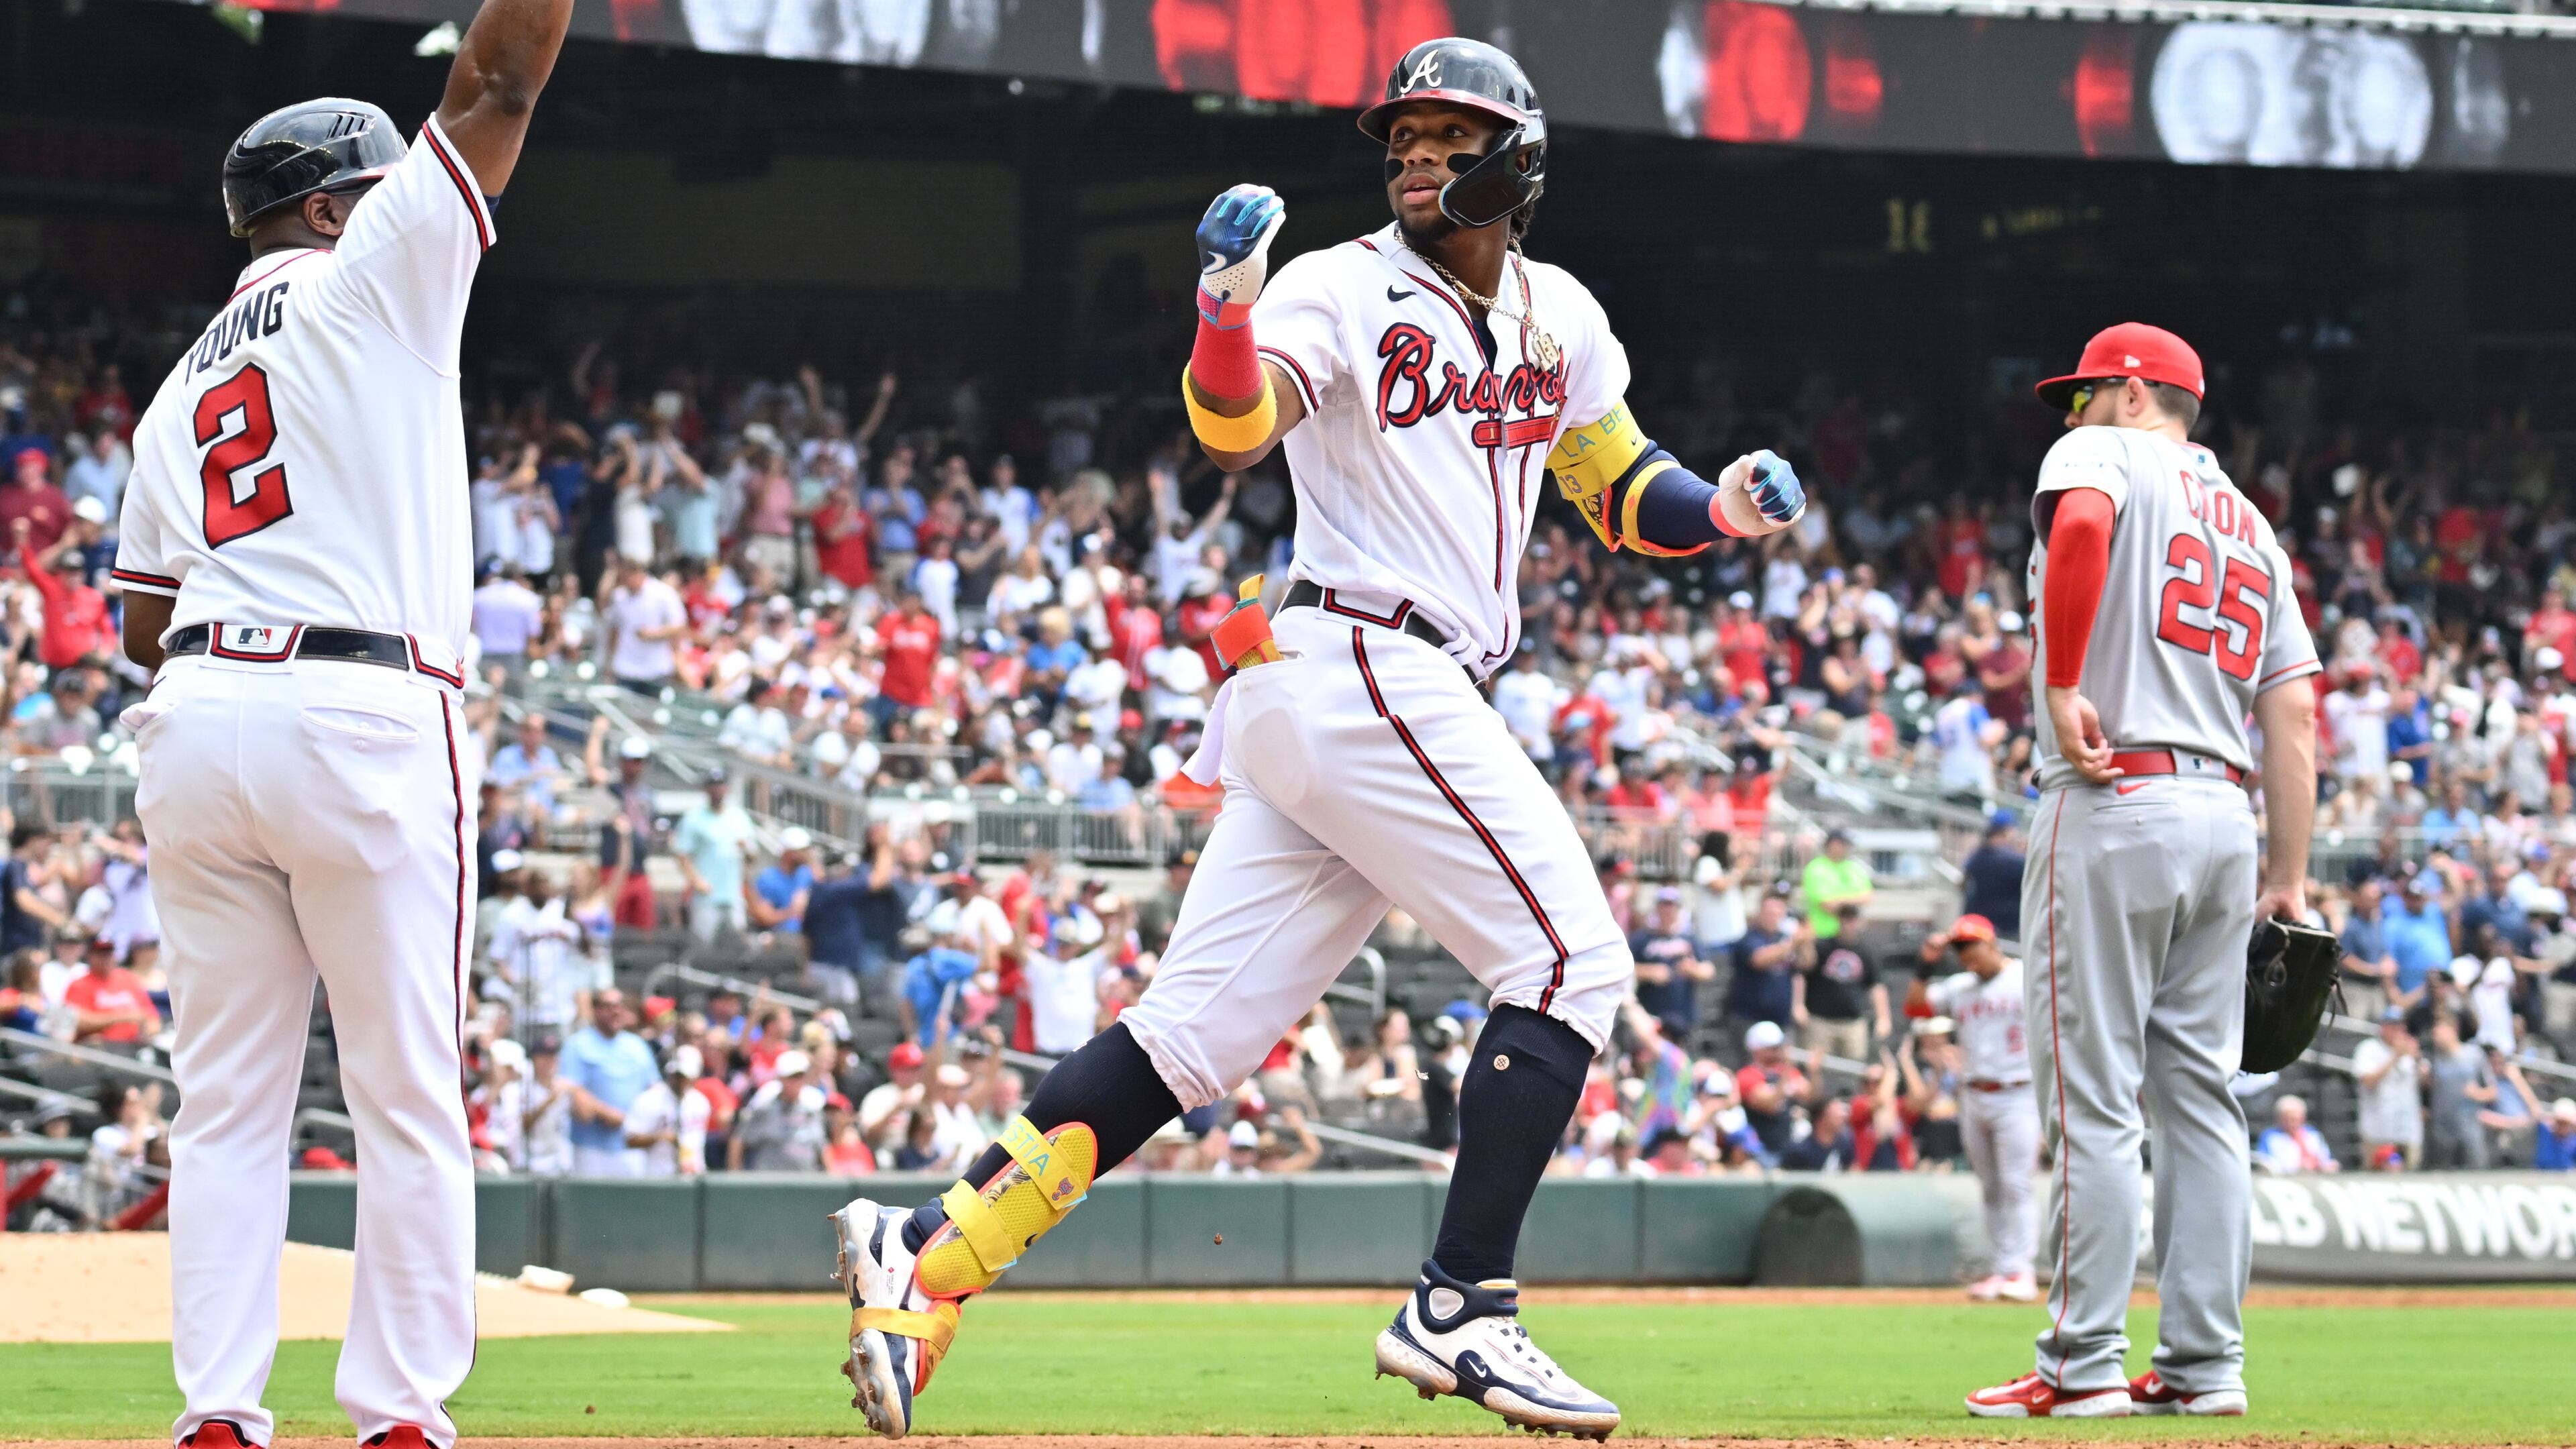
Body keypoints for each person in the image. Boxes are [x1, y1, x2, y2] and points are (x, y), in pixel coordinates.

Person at [828, 38, 1807, 1442]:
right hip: (1362, 655)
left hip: (1349, 690)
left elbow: (1620, 486)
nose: (1411, 151)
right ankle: (1463, 1303)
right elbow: (1237, 425)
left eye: (1443, 131)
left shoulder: (1566, 316)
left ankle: (926, 1258)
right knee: (1571, 960)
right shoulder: (1339, 283)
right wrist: (1223, 307)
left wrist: (1720, 510)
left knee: (1186, 1040)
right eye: (1399, 134)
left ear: (1515, 155)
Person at [108, 6, 574, 1444]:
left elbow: (139, 619)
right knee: (405, 1089)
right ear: (327, 206)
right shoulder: (372, 273)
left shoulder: (180, 388)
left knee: (227, 1106)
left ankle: (218, 1412)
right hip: (361, 705)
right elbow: (498, 75)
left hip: (196, 715)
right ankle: (393, 1411)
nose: (412, 201)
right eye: (376, 186)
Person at [1966, 325, 2318, 1421]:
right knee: (2204, 1101)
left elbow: (2079, 524)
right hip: (2227, 814)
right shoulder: (2254, 525)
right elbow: (2296, 712)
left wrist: (2065, 678)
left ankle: (2079, 1368)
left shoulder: (2104, 456)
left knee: (2092, 1098)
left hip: (2115, 797)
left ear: (2132, 391)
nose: (2070, 415)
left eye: (2084, 394)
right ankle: (2209, 1366)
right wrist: (2290, 880)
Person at [1909, 912, 2035, 1302]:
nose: (1966, 957)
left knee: (2016, 1184)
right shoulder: (1960, 986)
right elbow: (1915, 1008)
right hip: (1975, 1093)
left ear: (1991, 942)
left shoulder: (2025, 978)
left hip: (2018, 1091)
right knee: (1991, 1187)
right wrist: (1926, 963)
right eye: (1959, 949)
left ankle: (2022, 1270)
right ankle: (2001, 1269)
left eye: (1971, 946)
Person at [561, 989, 659, 1177]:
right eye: (608, 1006)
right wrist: (607, 1113)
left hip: (632, 1146)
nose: (615, 1012)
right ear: (595, 1010)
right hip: (592, 1147)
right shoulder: (578, 1044)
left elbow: (654, 1087)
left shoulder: (637, 1045)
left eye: (619, 1006)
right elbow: (572, 1089)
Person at [1794, 910, 1888, 1065]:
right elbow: (1803, 971)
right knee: (1817, 1065)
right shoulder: (1823, 946)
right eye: (1845, 920)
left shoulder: (1866, 951)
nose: (1849, 925)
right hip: (1821, 1019)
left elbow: (1876, 985)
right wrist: (1798, 1005)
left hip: (1853, 1021)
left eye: (1852, 920)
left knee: (1855, 1066)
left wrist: (1884, 1017)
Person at [674, 769, 756, 942]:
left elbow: (752, 856)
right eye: (713, 785)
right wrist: (696, 881)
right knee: (704, 944)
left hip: (733, 895)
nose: (717, 789)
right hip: (707, 897)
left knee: (737, 944)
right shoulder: (694, 818)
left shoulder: (739, 817)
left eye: (720, 785)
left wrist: (746, 849)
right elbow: (683, 855)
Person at [1628, 886, 1711, 1044]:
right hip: (1651, 1016)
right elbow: (1625, 969)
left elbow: (1708, 970)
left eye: (1671, 906)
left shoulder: (1689, 938)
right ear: (1657, 908)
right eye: (1664, 906)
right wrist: (1649, 972)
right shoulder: (1642, 939)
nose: (1668, 911)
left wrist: (1692, 969)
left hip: (1683, 1016)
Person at [2349, 1008, 2424, 1169]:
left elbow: (2426, 1081)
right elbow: (2368, 1081)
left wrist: (2417, 1059)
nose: (2398, 1031)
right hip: (2378, 1131)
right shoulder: (2369, 1048)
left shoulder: (2408, 1050)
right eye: (2393, 1026)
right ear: (2383, 1027)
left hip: (2407, 1131)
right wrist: (2395, 1057)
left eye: (2400, 1026)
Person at [1957, 813, 2025, 938]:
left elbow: (1963, 886)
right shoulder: (2015, 861)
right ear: (2007, 831)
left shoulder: (1976, 856)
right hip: (2006, 931)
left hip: (1976, 928)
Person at [1799, 830, 1872, 941]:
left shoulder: (1853, 867)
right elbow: (1827, 904)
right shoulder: (1816, 868)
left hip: (1849, 936)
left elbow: (1867, 897)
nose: (1847, 848)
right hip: (1823, 933)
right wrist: (1853, 901)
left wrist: (1840, 901)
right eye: (1843, 844)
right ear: (1832, 844)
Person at [2534, 1097, 2576, 1171]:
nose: (2562, 1126)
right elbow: (2536, 1112)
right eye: (2560, 1122)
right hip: (2541, 1177)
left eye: (2565, 1123)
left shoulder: (2573, 1141)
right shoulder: (2544, 1134)